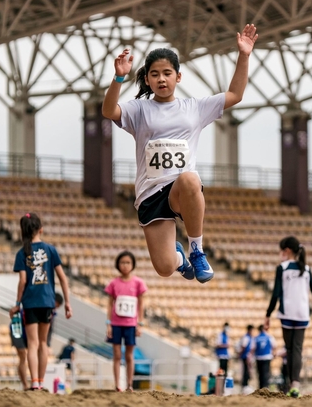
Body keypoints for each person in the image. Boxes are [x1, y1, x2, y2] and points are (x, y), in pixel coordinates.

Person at [101, 24, 258, 284]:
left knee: (190, 179)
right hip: (151, 193)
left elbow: (235, 94)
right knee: (164, 267)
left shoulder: (194, 108)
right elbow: (109, 111)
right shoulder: (139, 110)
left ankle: (196, 250)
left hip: (179, 188)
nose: (161, 79)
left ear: (178, 77)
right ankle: (179, 258)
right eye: (155, 74)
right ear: (148, 79)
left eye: (167, 73)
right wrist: (118, 79)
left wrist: (244, 55)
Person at [9, 213, 72, 391]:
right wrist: (67, 302)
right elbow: (62, 277)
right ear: (41, 229)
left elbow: (22, 281)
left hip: (30, 303)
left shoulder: (22, 253)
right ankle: (42, 382)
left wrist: (17, 303)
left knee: (33, 343)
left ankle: (34, 382)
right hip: (47, 301)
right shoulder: (50, 250)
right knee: (43, 343)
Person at [264, 236, 312, 399]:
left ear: (287, 251)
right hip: (303, 313)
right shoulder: (307, 269)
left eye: (281, 251)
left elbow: (275, 295)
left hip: (287, 313)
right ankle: (295, 385)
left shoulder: (282, 268)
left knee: (289, 349)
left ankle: (292, 385)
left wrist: (267, 315)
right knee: (297, 349)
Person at [105, 251, 147, 392]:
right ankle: (118, 385)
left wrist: (140, 324)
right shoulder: (113, 283)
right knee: (117, 355)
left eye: (128, 262)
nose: (125, 265)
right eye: (122, 262)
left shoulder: (138, 283)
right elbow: (110, 304)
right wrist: (108, 323)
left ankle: (129, 385)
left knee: (129, 355)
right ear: (118, 264)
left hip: (131, 325)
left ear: (133, 265)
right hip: (116, 324)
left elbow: (141, 305)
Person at [250, 324, 277, 389]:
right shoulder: (269, 337)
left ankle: (261, 387)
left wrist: (250, 356)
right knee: (266, 373)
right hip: (267, 357)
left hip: (259, 357)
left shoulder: (256, 338)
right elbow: (274, 346)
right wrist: (274, 354)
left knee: (260, 373)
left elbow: (253, 348)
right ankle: (266, 387)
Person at [9, 308, 29, 390]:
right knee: (23, 356)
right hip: (17, 329)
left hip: (27, 331)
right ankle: (25, 385)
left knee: (27, 356)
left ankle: (34, 382)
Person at [235, 324, 254, 391]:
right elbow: (243, 347)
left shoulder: (250, 337)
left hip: (248, 356)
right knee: (245, 371)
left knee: (248, 371)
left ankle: (246, 384)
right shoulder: (246, 337)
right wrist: (240, 355)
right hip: (245, 356)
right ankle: (244, 384)